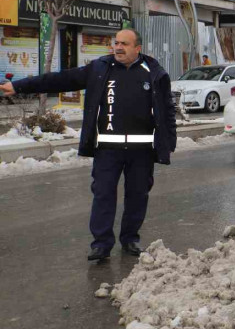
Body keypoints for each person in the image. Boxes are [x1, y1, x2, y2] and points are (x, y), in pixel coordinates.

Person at [0, 29, 177, 261]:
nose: (118, 47)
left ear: (137, 48)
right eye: (116, 43)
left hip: (141, 150)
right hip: (107, 149)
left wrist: (169, 140)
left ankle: (130, 239)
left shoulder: (153, 73)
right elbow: (61, 79)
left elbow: (167, 110)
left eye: (124, 43)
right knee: (103, 195)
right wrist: (20, 86)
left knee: (138, 196)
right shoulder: (101, 68)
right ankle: (101, 244)